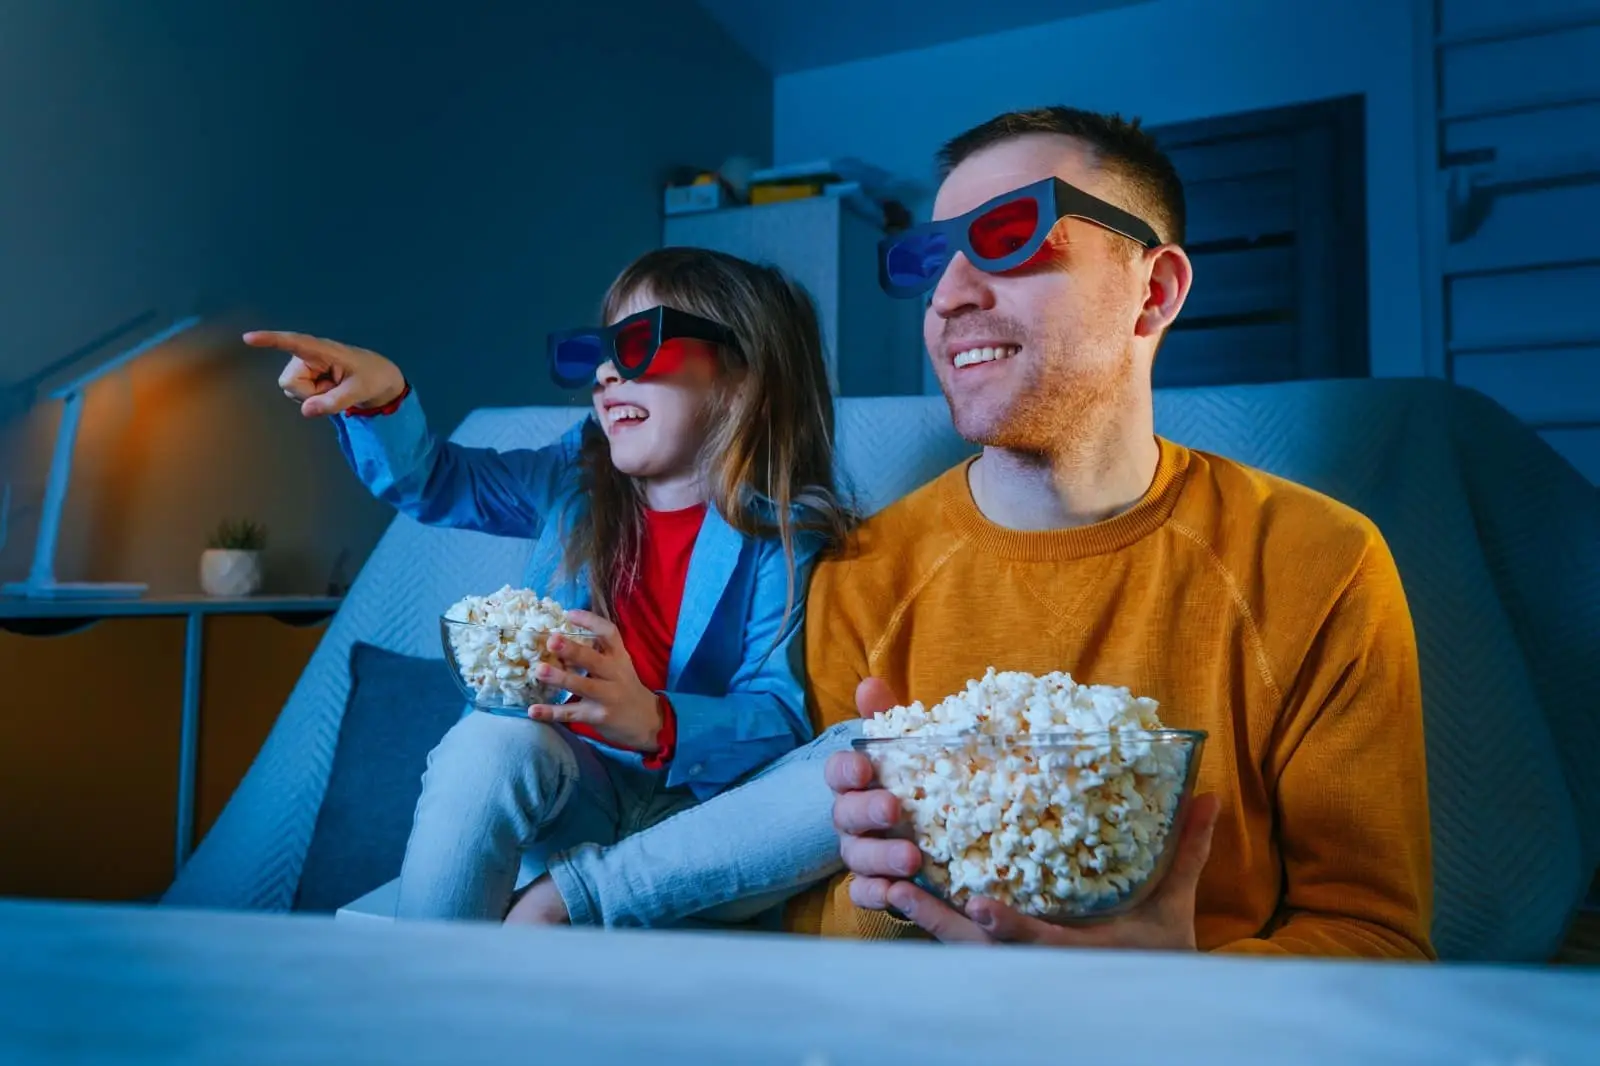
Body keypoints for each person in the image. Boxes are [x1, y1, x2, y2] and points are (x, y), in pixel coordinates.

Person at [506, 106, 1435, 960]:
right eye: (930, 259)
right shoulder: (858, 571)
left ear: (1153, 292)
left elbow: (1378, 937)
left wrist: (1173, 986)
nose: (947, 296)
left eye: (1009, 236)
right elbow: (785, 910)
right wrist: (889, 888)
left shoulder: (1321, 563)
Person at [244, 247, 853, 922]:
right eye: (598, 351)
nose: (604, 373)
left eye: (638, 345)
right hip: (571, 794)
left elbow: (779, 717)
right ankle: (422, 979)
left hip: (702, 825)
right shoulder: (571, 480)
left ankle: (573, 900)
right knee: (487, 740)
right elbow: (436, 482)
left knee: (858, 765)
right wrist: (383, 399)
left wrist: (656, 721)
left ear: (743, 377)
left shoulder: (786, 535)